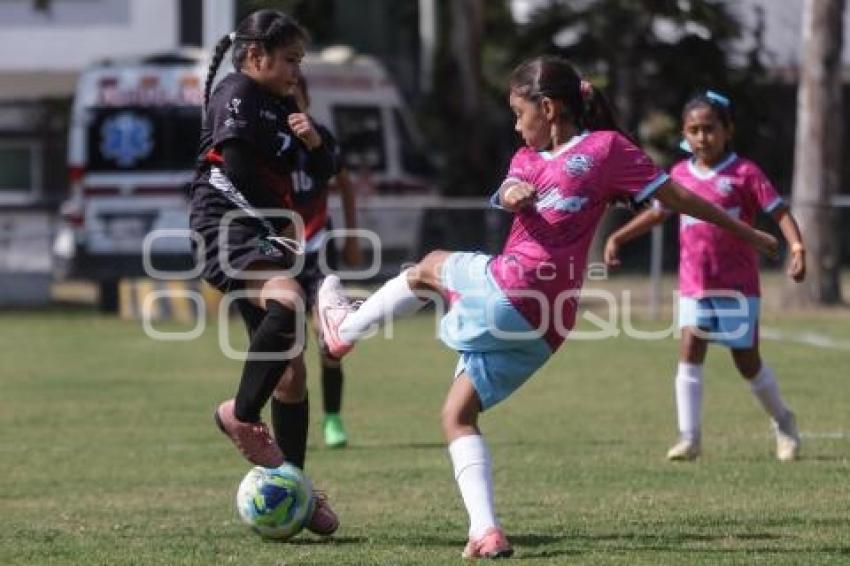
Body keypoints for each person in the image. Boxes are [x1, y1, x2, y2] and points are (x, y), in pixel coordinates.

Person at [314, 57, 779, 558]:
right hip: (546, 329)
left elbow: (679, 196)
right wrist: (513, 192)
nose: (516, 125)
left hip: (516, 290)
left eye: (519, 113)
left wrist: (746, 230)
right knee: (457, 415)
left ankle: (345, 329)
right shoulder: (526, 158)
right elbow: (511, 188)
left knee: (427, 264)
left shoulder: (606, 150)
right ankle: (486, 531)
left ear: (549, 107)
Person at [188, 9, 338, 535]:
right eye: (291, 60)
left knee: (293, 374)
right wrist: (275, 223)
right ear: (256, 56)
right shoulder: (237, 93)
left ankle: (293, 484)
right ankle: (241, 414)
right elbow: (237, 165)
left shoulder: (281, 105)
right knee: (290, 299)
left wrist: (315, 141)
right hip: (228, 224)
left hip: (265, 229)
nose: (297, 71)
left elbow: (324, 172)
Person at [603, 90, 805, 462]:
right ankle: (689, 437)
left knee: (747, 362)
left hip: (738, 287)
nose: (701, 137)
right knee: (690, 350)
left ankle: (784, 421)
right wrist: (619, 235)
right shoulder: (679, 174)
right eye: (693, 129)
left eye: (709, 128)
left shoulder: (745, 173)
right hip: (694, 284)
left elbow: (778, 212)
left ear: (727, 130)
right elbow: (658, 213)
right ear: (684, 132)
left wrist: (796, 247)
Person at [280, 74, 361, 449]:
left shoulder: (321, 138)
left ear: (308, 100)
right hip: (279, 252)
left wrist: (351, 235)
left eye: (297, 96)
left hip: (319, 245)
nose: (291, 103)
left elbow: (344, 183)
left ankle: (332, 419)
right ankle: (286, 426)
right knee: (285, 348)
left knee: (329, 341)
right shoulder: (265, 142)